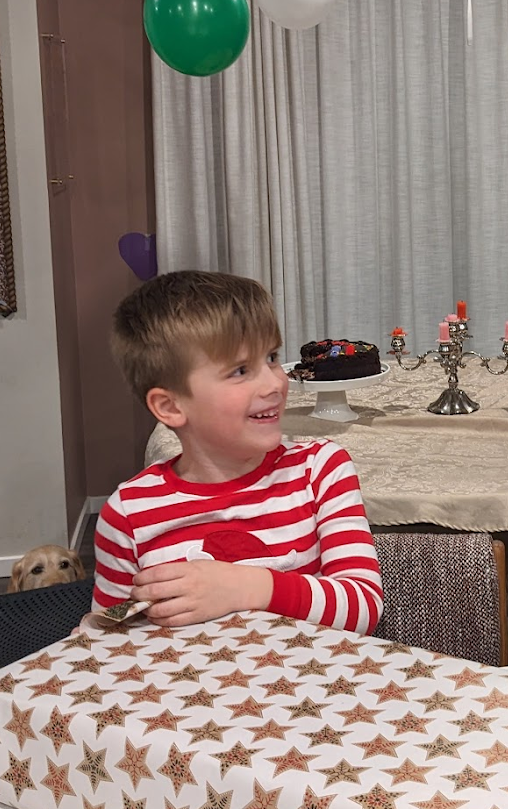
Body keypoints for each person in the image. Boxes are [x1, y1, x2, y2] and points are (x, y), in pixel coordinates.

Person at [95, 270, 383, 631]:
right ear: (170, 407)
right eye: (240, 370)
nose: (275, 382)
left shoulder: (320, 470)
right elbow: (113, 631)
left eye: (272, 357)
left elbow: (362, 609)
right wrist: (96, 629)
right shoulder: (127, 515)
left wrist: (245, 587)